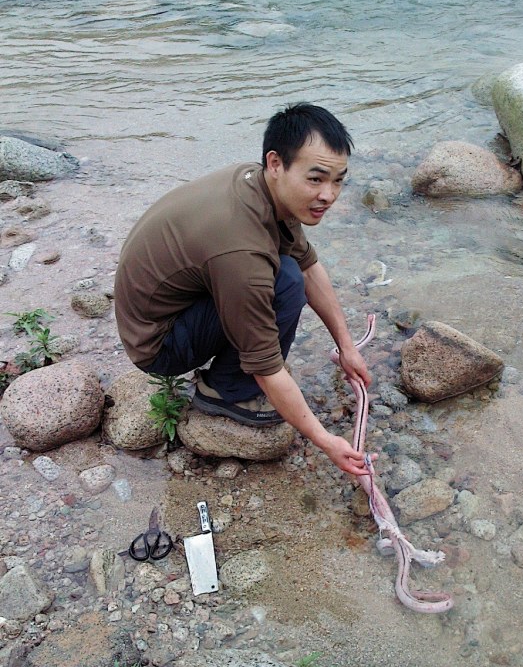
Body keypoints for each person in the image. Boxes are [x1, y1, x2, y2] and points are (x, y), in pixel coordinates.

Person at [114, 103, 372, 477]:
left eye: (338, 180)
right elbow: (266, 363)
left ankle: (229, 375)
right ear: (275, 163)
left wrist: (347, 348)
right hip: (157, 342)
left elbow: (309, 266)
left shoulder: (259, 187)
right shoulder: (240, 249)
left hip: (176, 303)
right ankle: (225, 391)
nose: (328, 195)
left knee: (288, 272)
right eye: (315, 179)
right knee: (284, 283)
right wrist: (325, 440)